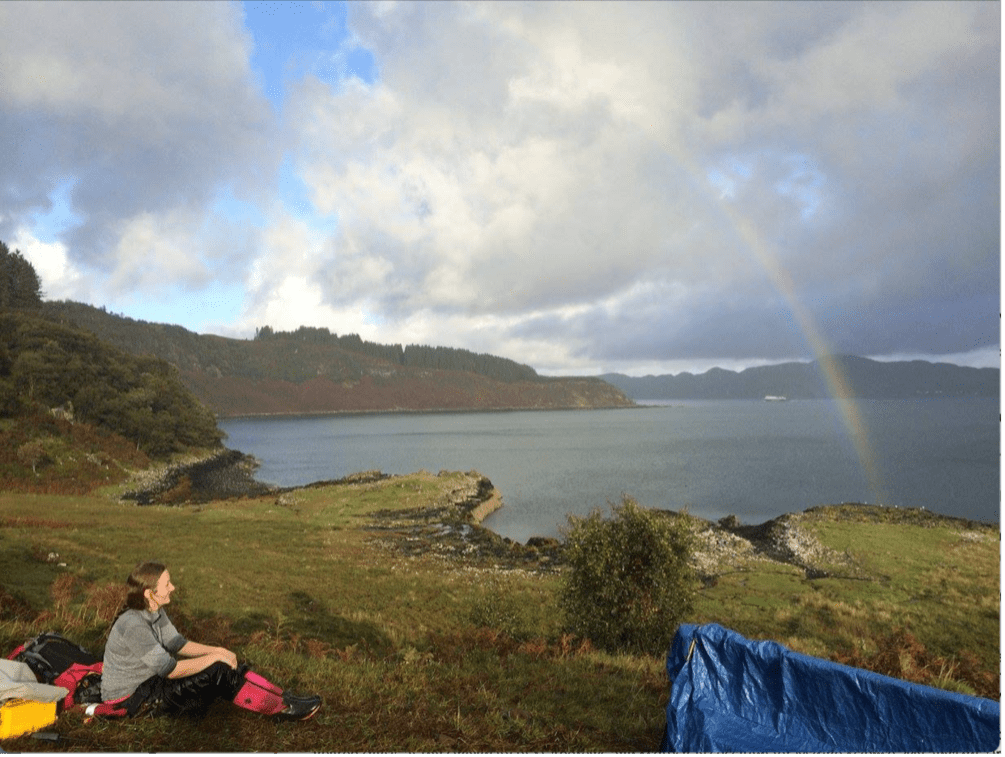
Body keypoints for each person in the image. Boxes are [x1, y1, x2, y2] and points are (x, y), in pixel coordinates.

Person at [100, 561, 322, 720]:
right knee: (217, 670)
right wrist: (214, 658)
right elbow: (169, 669)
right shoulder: (133, 625)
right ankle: (280, 709)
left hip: (150, 684)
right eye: (167, 584)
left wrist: (220, 650)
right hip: (131, 700)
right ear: (149, 593)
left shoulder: (154, 610)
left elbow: (177, 643)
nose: (173, 588)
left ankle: (283, 696)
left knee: (227, 662)